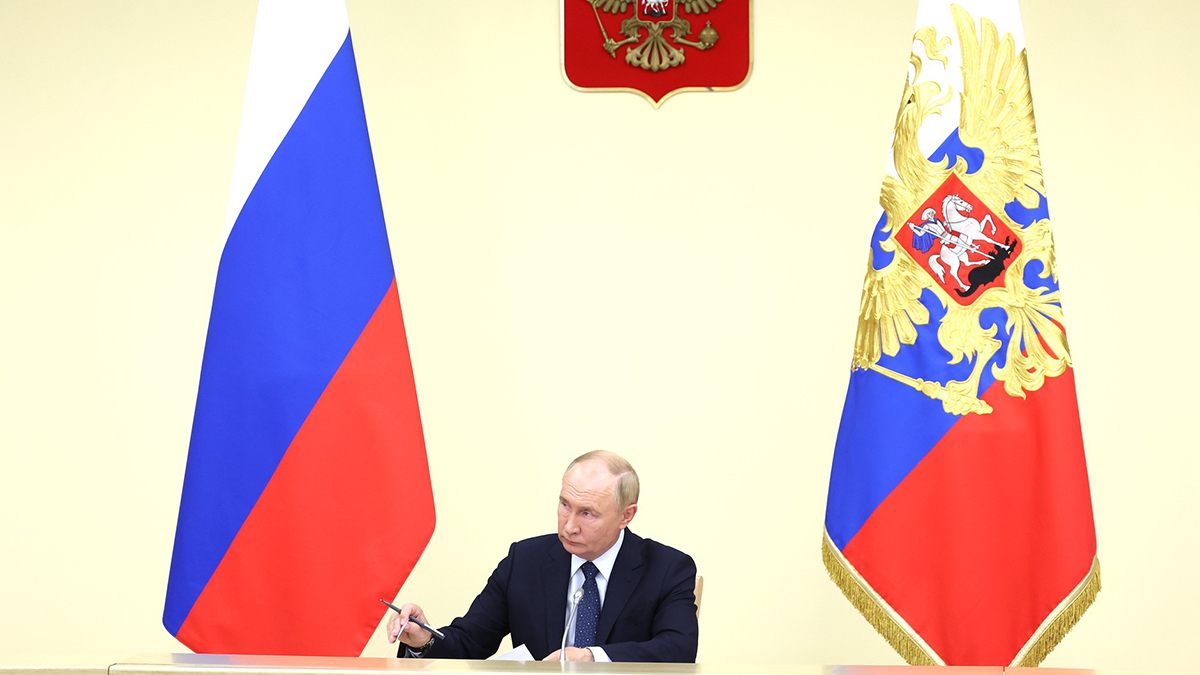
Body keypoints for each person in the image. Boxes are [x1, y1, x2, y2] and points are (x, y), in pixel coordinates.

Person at [387, 450, 699, 662]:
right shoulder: (525, 561)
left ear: (626, 516)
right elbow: (470, 641)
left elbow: (679, 648)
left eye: (587, 513)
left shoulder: (667, 569)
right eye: (565, 505)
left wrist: (591, 657)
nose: (570, 525)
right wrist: (424, 639)